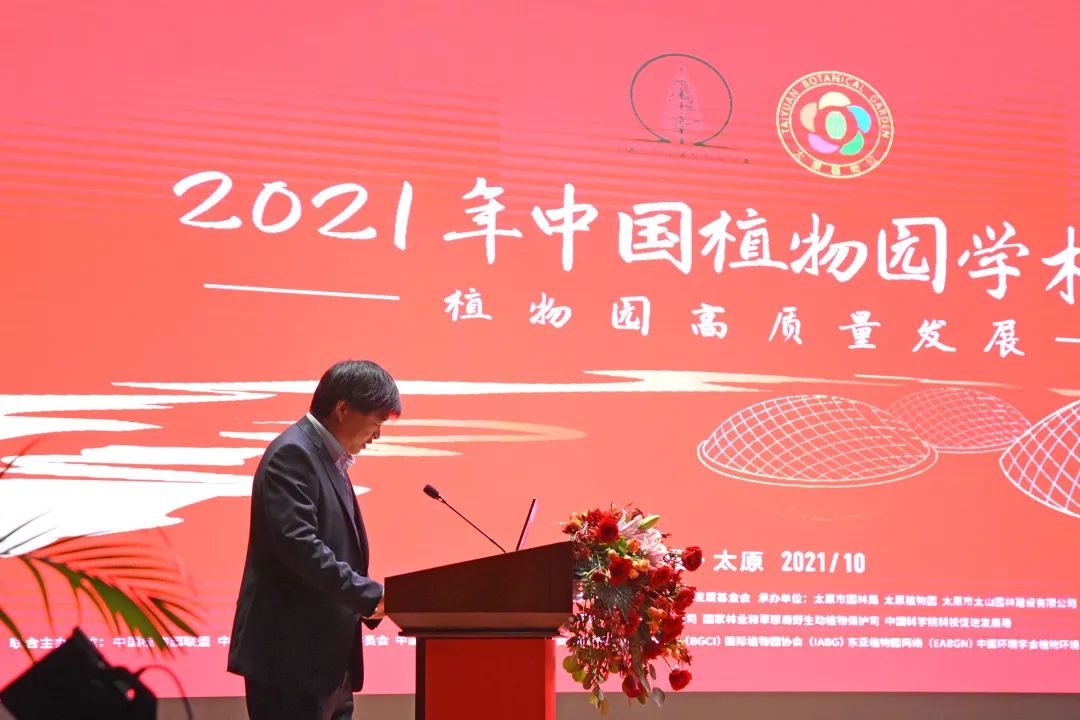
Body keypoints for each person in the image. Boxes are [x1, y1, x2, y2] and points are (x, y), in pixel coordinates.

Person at [227, 359, 402, 720]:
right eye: (376, 423)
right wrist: (371, 596)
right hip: (289, 661)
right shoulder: (293, 453)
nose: (377, 436)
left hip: (327, 664)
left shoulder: (326, 457)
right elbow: (299, 546)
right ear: (343, 410)